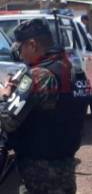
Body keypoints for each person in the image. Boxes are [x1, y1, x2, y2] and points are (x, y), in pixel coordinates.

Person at [0, 18, 87, 194]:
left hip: (39, 172)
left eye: (20, 48)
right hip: (65, 165)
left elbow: (8, 121)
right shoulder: (72, 69)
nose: (20, 55)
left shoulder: (39, 76)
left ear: (32, 45)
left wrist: (5, 96)